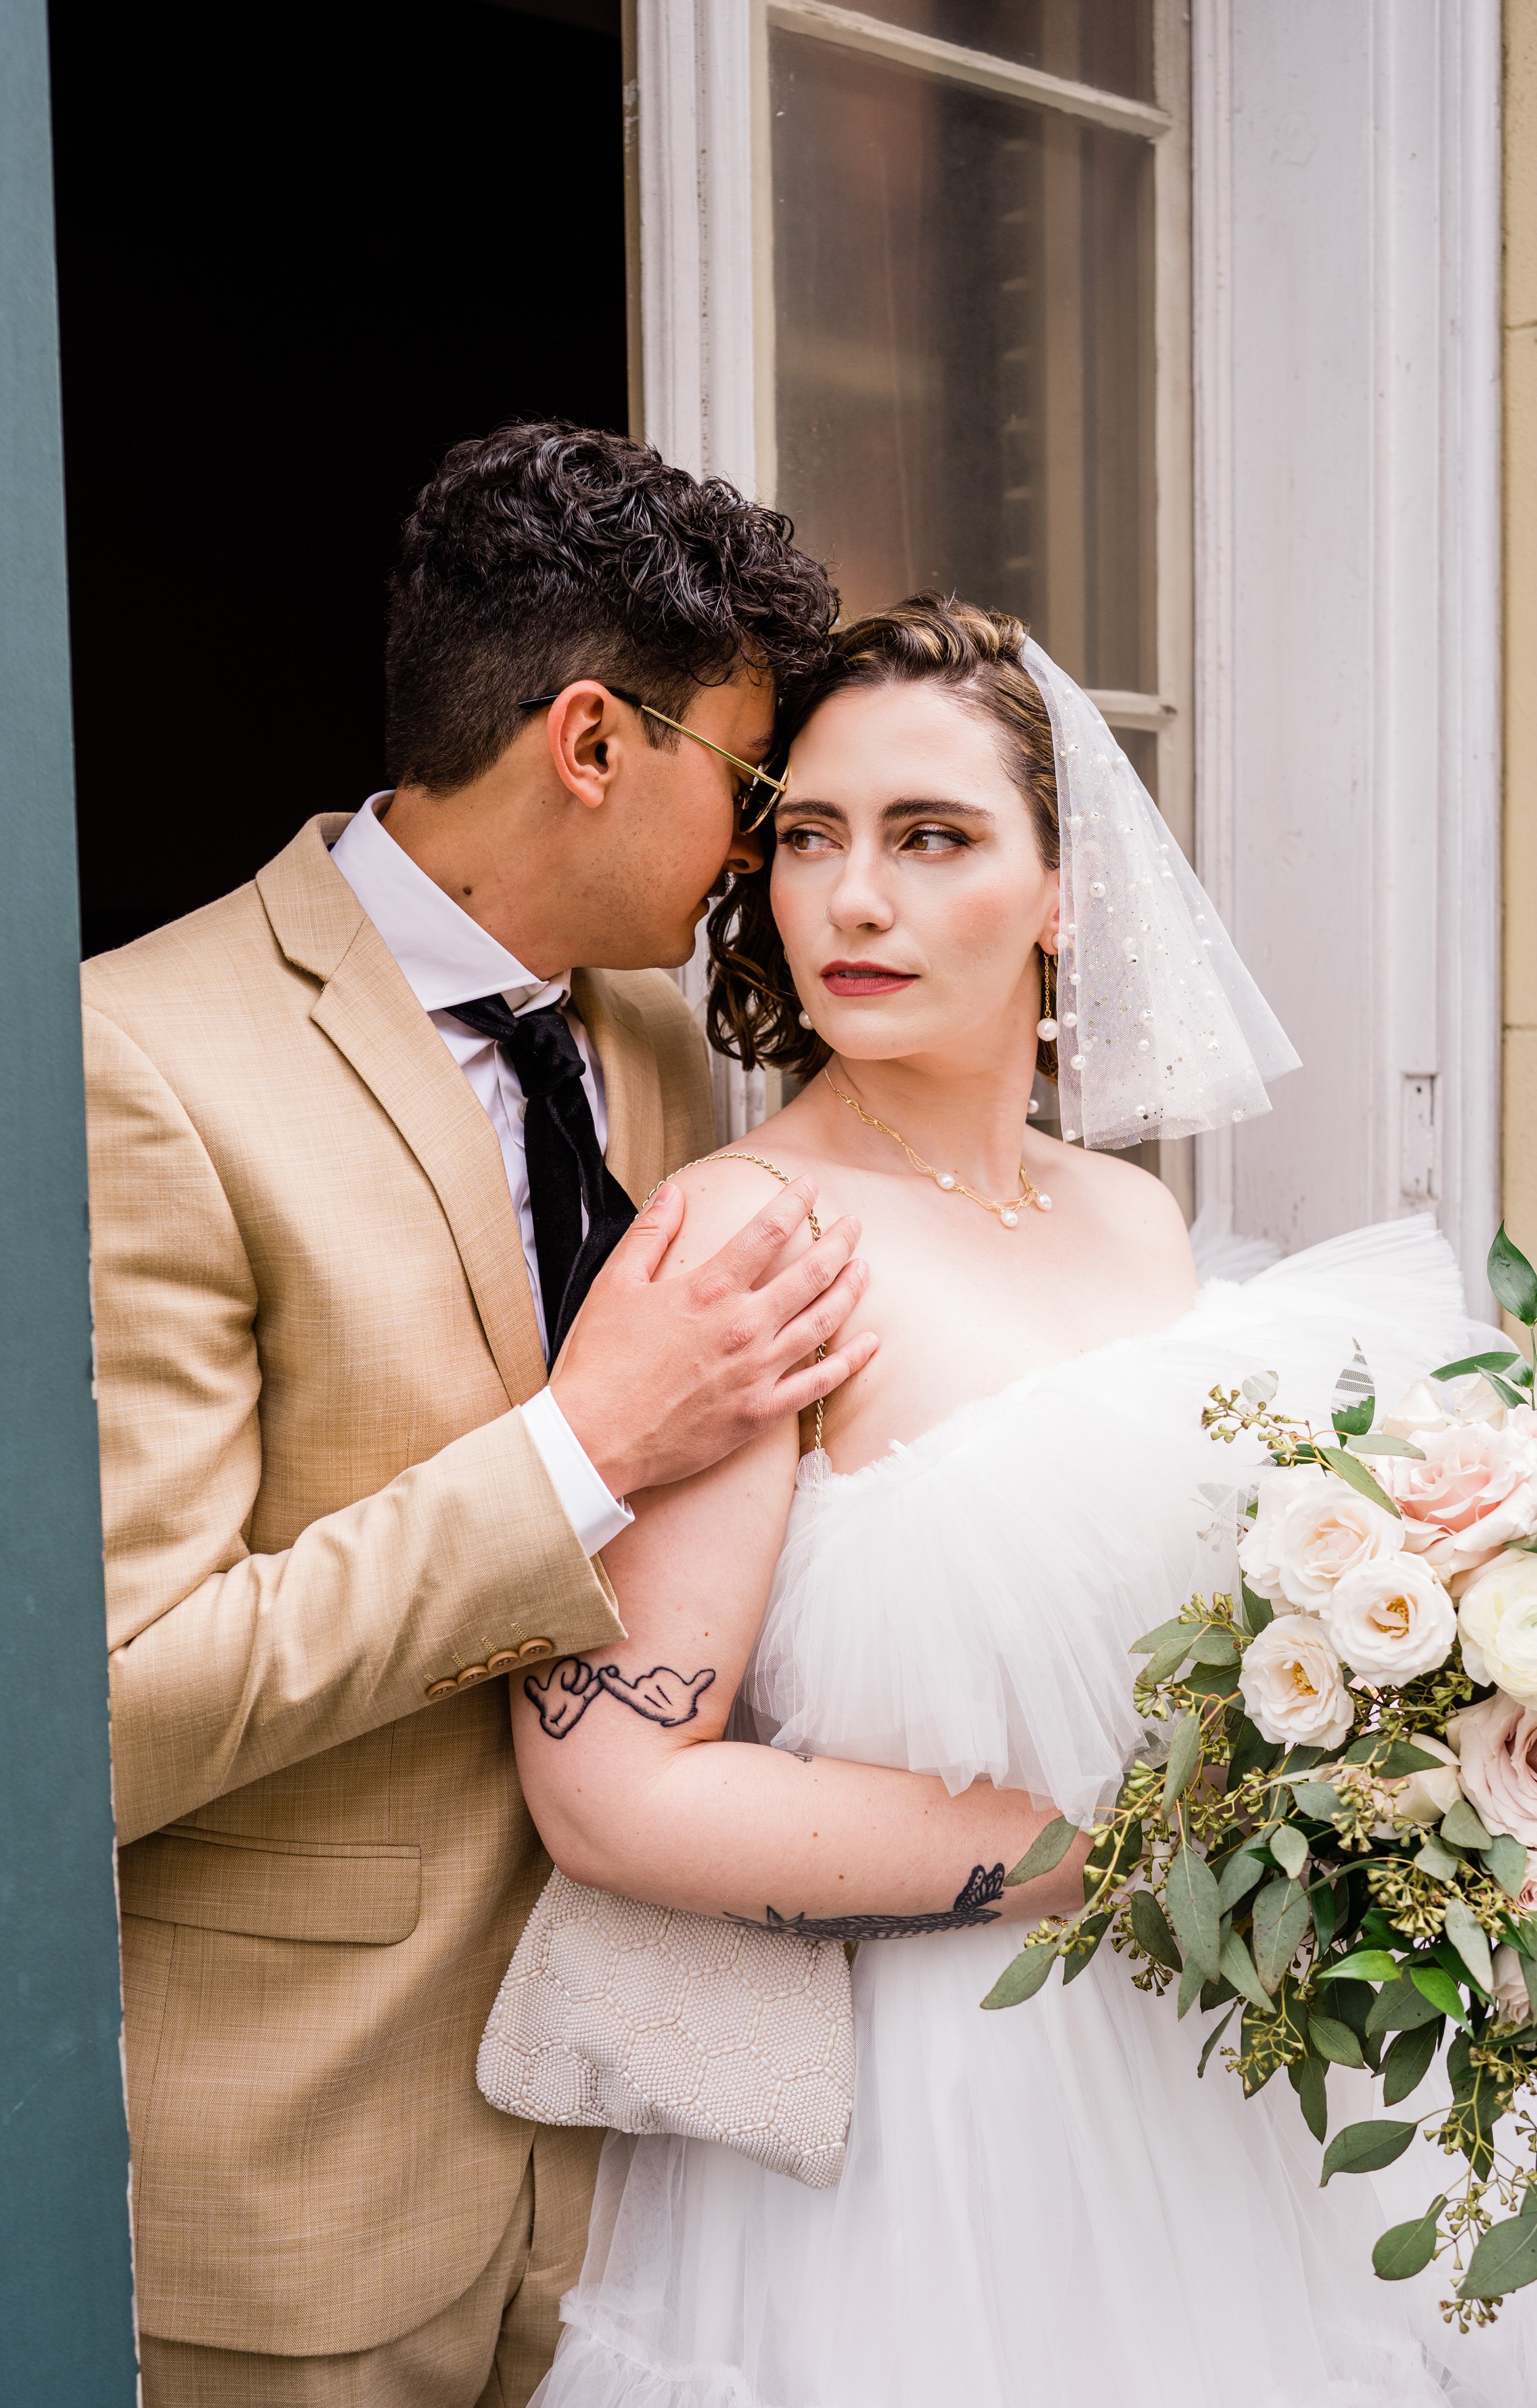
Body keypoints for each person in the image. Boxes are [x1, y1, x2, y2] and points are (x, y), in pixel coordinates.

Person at [83, 429, 1083, 2408]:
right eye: (757, 792)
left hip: (656, 2153)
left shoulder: (638, 1041)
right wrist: (577, 1450)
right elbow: (103, 1707)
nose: (762, 861)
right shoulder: (141, 1067)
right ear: (591, 745)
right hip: (310, 2179)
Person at [508, 595, 1529, 2407]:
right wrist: (1128, 1856)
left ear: (1069, 892)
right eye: (808, 840)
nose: (854, 900)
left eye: (932, 838)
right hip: (939, 2113)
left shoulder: (1123, 1216)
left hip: (1217, 2065)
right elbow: (611, 1796)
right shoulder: (753, 1239)